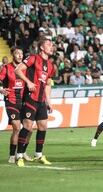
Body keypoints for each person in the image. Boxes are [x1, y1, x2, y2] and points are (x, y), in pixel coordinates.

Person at [15, 37, 55, 167]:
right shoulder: (33, 58)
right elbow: (18, 70)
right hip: (30, 97)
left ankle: (39, 155)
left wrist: (48, 100)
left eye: (52, 45)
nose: (52, 47)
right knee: (27, 127)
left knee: (43, 126)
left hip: (41, 100)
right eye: (49, 44)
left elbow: (47, 84)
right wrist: (28, 82)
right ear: (42, 47)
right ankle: (19, 156)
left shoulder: (50, 65)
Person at [0, 46, 33, 163]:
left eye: (21, 53)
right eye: (17, 53)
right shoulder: (6, 68)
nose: (20, 55)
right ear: (12, 56)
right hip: (11, 101)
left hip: (24, 102)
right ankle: (12, 155)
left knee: (29, 130)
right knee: (17, 127)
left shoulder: (25, 69)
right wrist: (0, 89)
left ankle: (22, 152)